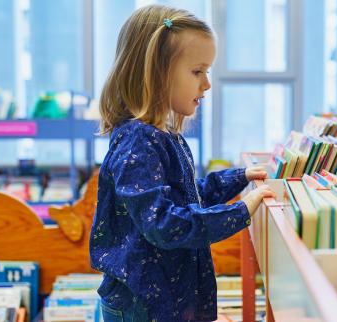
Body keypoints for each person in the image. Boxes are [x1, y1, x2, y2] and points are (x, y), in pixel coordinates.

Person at [89, 5, 275, 321]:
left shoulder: (163, 135)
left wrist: (238, 178)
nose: (207, 84)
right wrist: (240, 211)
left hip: (162, 300)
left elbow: (187, 196)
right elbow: (164, 223)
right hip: (142, 307)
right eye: (197, 71)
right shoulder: (139, 140)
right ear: (157, 72)